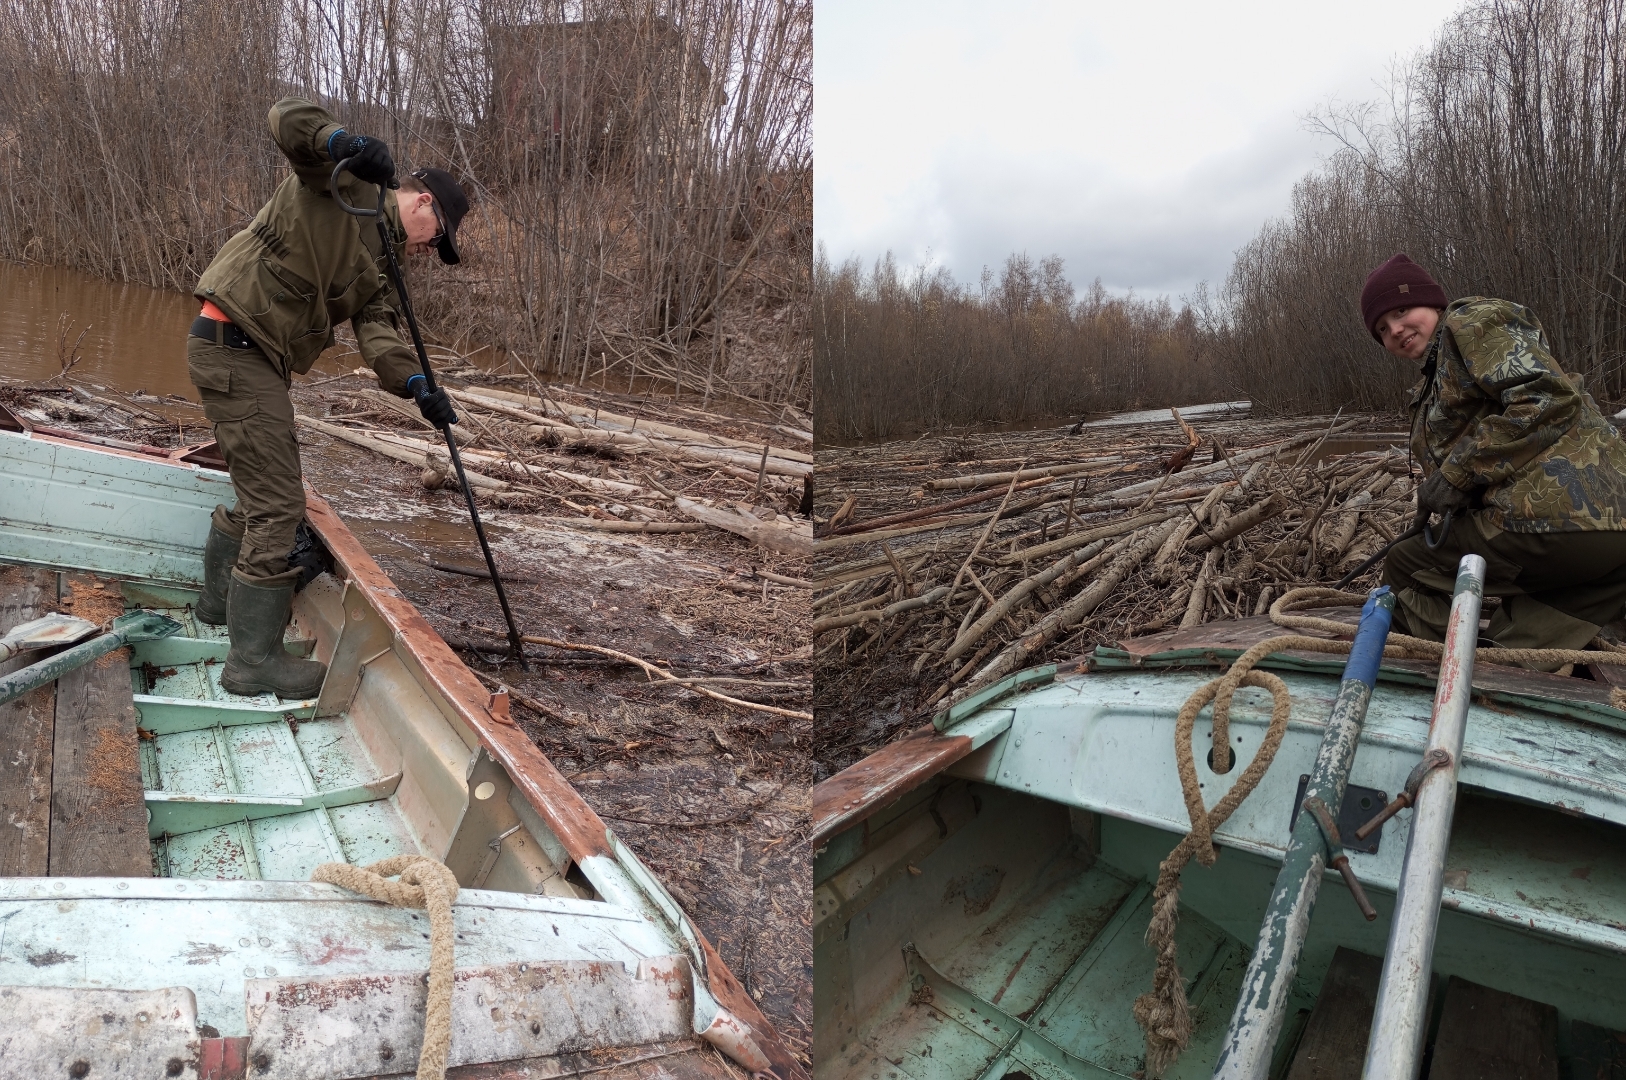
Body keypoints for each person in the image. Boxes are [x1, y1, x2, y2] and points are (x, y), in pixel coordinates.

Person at [188, 97, 467, 699]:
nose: (427, 251)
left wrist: (419, 386)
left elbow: (381, 333)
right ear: (423, 203)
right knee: (279, 506)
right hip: (233, 339)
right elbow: (286, 121)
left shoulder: (382, 262)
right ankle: (251, 663)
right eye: (434, 237)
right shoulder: (345, 183)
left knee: (264, 486)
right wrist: (343, 140)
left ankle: (216, 607)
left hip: (255, 356)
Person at [1362, 253, 1626, 660]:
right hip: (1613, 533)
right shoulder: (1440, 373)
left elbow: (1547, 398)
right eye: (1382, 328)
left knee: (1406, 565)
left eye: (1401, 310)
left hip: (1558, 520)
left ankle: (1420, 670)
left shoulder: (1469, 322)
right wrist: (1451, 492)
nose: (1395, 329)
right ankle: (1516, 663)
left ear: (1433, 303)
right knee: (1519, 636)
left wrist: (1456, 475)